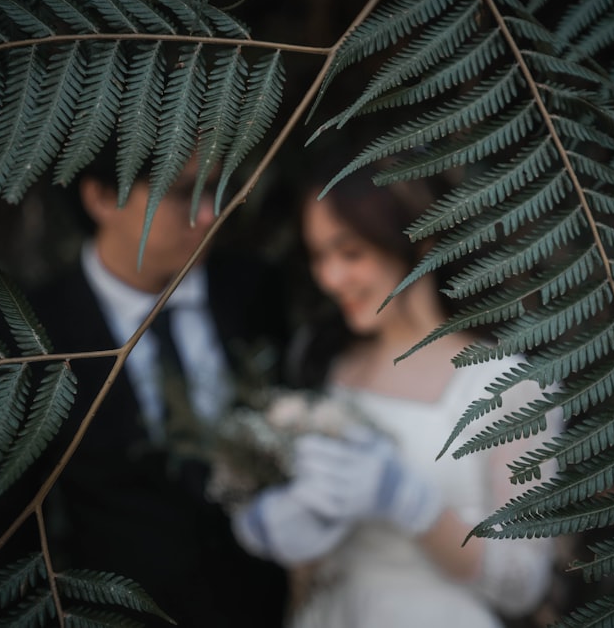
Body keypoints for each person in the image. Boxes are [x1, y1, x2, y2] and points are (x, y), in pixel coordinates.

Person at [231, 169, 562, 627]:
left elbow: (524, 584)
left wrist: (416, 506)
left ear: (420, 244)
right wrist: (281, 528)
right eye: (318, 256)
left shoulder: (508, 383)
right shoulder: (324, 362)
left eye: (351, 252)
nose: (330, 277)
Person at [0, 143, 290, 627]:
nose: (208, 213)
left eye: (213, 188)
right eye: (181, 194)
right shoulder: (31, 336)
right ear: (100, 197)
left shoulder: (253, 289)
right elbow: (5, 532)